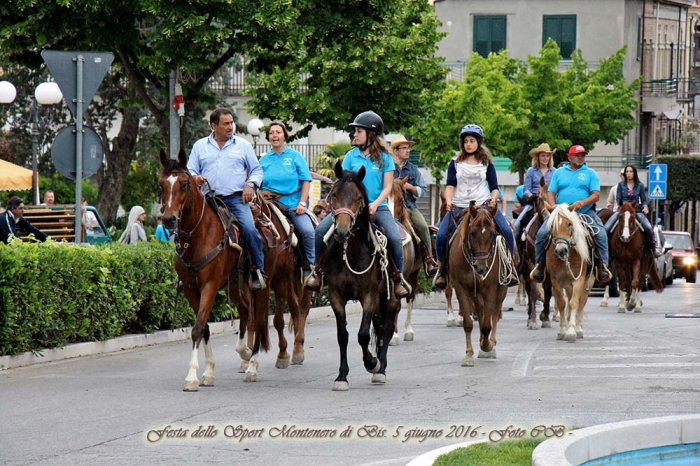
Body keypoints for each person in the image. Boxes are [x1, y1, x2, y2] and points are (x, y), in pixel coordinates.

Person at [305, 110, 411, 299]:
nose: (354, 135)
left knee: (394, 238)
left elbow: (388, 187)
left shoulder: (386, 159)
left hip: (378, 207)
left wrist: (375, 204)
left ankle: (398, 279)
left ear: (371, 134)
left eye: (358, 131)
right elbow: (344, 183)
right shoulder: (350, 156)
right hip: (350, 208)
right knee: (321, 231)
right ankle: (317, 273)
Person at [187, 107, 266, 291]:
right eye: (226, 124)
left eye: (231, 123)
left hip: (235, 199)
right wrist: (195, 178)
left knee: (250, 229)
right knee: (186, 228)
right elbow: (190, 170)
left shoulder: (243, 145)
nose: (231, 127)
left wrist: (250, 185)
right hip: (208, 199)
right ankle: (187, 270)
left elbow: (257, 170)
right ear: (214, 126)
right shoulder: (200, 146)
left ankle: (258, 271)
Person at [433, 124, 518, 289]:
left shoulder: (486, 163)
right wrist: (449, 201)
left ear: (478, 142)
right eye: (465, 141)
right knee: (441, 235)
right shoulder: (455, 163)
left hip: (483, 206)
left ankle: (510, 267)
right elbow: (450, 185)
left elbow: (494, 187)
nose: (468, 144)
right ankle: (442, 270)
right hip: (460, 205)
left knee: (507, 230)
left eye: (472, 141)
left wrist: (494, 199)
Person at [531, 144, 611, 283]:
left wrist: (583, 202)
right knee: (542, 233)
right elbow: (551, 192)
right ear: (569, 157)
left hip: (584, 212)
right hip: (562, 213)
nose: (580, 158)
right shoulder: (559, 172)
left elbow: (596, 195)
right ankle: (540, 266)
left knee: (600, 233)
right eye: (577, 155)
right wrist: (553, 206)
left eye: (582, 155)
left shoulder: (590, 173)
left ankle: (603, 266)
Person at [259, 121, 315, 277]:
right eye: (271, 133)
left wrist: (302, 203)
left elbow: (306, 181)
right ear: (268, 137)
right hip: (269, 205)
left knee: (308, 231)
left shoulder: (295, 156)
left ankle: (311, 269)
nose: (275, 135)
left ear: (284, 135)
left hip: (292, 204)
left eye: (278, 132)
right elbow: (257, 182)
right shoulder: (263, 160)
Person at [391, 134, 438, 277]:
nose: (407, 151)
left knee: (423, 226)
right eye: (404, 148)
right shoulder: (388, 168)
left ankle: (429, 259)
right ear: (395, 151)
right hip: (390, 206)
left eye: (408, 148)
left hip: (409, 207)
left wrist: (411, 188)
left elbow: (423, 191)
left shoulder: (413, 169)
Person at [603, 164, 661, 257]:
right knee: (606, 228)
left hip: (636, 211)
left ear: (634, 173)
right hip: (622, 210)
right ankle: (606, 251)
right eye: (627, 172)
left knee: (648, 228)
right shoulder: (620, 185)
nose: (628, 174)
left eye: (630, 172)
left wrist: (645, 207)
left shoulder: (640, 186)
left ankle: (652, 249)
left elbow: (643, 199)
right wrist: (626, 206)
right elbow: (618, 199)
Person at [513, 143, 557, 241]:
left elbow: (557, 188)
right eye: (543, 156)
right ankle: (514, 249)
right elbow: (526, 189)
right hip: (534, 202)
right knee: (517, 224)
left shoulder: (555, 172)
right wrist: (531, 196)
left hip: (550, 202)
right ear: (538, 157)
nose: (545, 158)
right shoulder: (531, 171)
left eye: (547, 156)